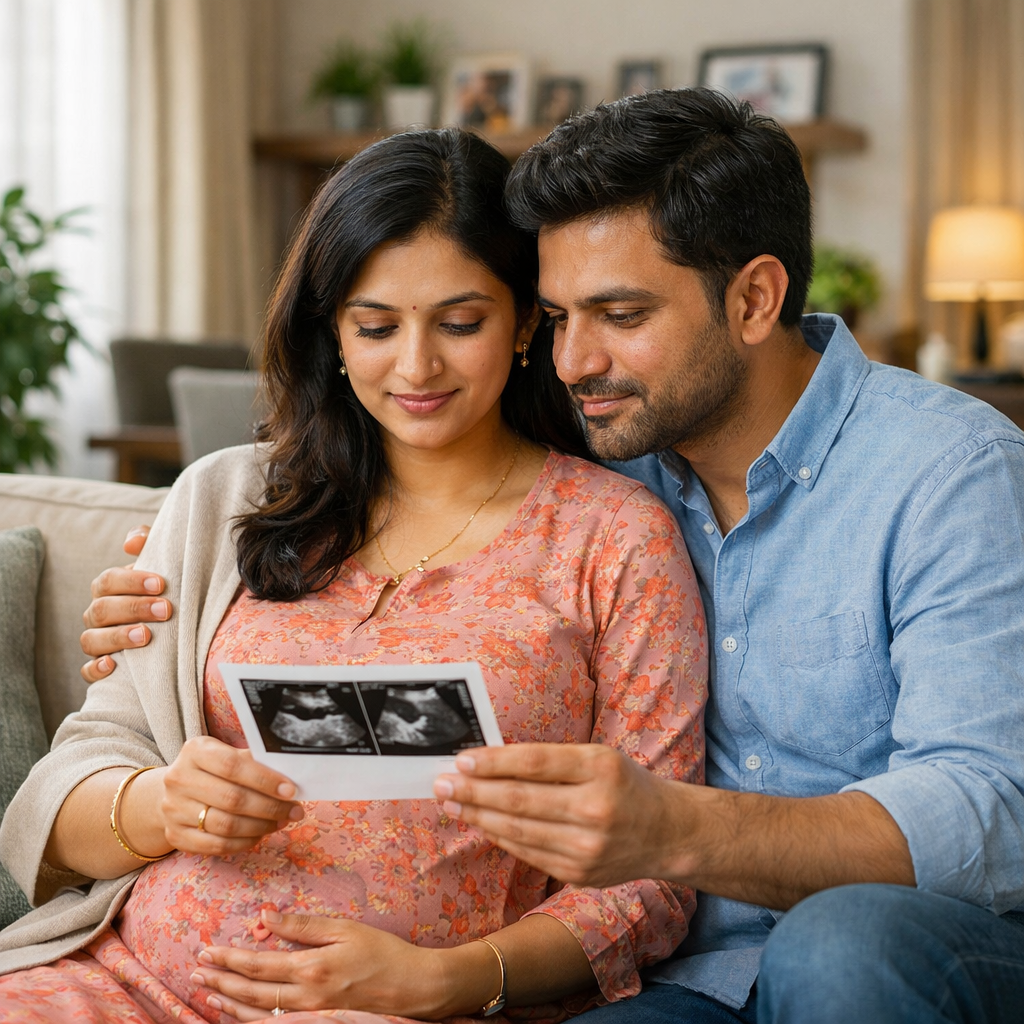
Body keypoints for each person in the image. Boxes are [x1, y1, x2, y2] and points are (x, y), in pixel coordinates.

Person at [81, 90, 1024, 1022]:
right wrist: (175, 586)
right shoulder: (613, 453)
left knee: (840, 947)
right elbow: (403, 477)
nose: (572, 362)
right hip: (687, 977)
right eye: (559, 316)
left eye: (619, 314)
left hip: (905, 942)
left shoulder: (949, 474)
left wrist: (672, 828)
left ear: (754, 298)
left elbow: (989, 810)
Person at [0, 128, 708, 1023]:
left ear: (528, 320)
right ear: (332, 329)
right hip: (127, 979)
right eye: (376, 327)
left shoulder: (613, 538)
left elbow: (655, 875)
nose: (415, 367)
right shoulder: (226, 499)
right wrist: (159, 807)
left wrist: (445, 980)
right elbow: (72, 782)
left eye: (460, 323)